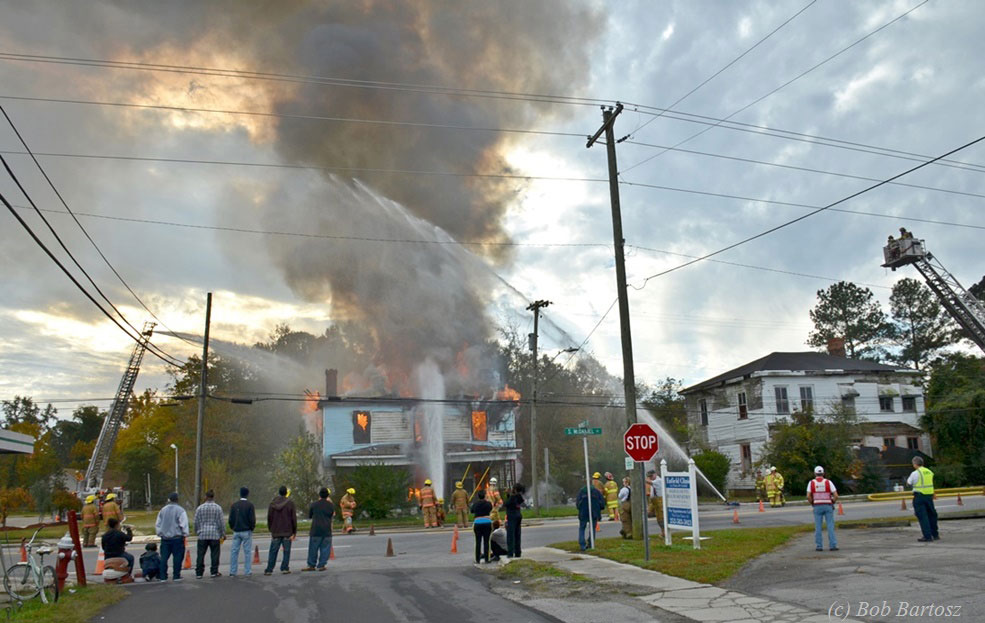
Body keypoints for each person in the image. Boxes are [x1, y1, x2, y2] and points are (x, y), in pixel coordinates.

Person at [155, 492, 189, 582]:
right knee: (177, 558)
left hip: (165, 538)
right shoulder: (180, 510)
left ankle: (163, 576)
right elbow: (184, 524)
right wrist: (185, 534)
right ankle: (176, 575)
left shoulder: (162, 510)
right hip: (177, 538)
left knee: (164, 558)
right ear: (177, 499)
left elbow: (158, 524)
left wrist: (160, 533)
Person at [265, 485, 297, 575]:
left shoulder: (273, 503)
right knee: (286, 551)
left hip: (276, 530)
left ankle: (269, 569)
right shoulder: (290, 503)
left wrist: (271, 528)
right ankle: (285, 568)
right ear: (286, 493)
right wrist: (294, 531)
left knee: (273, 551)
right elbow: (293, 518)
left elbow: (269, 517)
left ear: (279, 492)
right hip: (287, 531)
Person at [193, 489, 225, 579]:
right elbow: (221, 522)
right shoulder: (218, 508)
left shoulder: (200, 508)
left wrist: (197, 531)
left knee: (200, 554)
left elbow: (196, 521)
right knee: (215, 554)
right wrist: (223, 533)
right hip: (214, 534)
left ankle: (199, 573)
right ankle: (214, 571)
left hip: (202, 535)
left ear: (205, 497)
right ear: (213, 497)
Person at [907, 456, 939, 542]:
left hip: (919, 496)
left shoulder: (915, 473)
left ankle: (927, 536)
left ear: (915, 464)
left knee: (923, 517)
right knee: (932, 515)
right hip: (929, 496)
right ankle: (935, 534)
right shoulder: (929, 471)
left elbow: (909, 482)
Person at [807, 466, 838, 552]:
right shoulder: (828, 482)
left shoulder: (811, 483)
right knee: (830, 526)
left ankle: (819, 546)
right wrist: (832, 502)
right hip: (828, 505)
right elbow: (836, 495)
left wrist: (812, 503)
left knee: (818, 527)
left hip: (817, 506)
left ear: (815, 473)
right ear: (823, 473)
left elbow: (808, 496)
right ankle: (833, 545)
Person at [304, 487, 335, 571]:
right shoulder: (331, 505)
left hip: (316, 529)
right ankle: (322, 565)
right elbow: (331, 515)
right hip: (327, 529)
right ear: (327, 495)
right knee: (325, 548)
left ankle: (311, 565)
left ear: (319, 495)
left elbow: (310, 515)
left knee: (313, 548)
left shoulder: (314, 504)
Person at [228, 486, 256, 577]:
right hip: (246, 530)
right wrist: (252, 528)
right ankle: (247, 571)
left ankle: (233, 571)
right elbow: (252, 519)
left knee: (234, 552)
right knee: (247, 552)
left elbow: (231, 519)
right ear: (247, 494)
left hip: (236, 530)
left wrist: (233, 527)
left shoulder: (234, 505)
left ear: (240, 494)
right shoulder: (250, 505)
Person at [576, 483, 604, 551]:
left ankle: (582, 545)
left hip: (583, 512)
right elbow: (602, 504)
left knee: (582, 528)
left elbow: (577, 504)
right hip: (594, 512)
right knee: (592, 528)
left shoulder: (581, 491)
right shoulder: (596, 492)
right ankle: (591, 543)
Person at [470, 489, 493, 564]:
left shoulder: (475, 504)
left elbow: (472, 511)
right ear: (485, 496)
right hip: (487, 523)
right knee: (487, 542)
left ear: (478, 496)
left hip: (477, 523)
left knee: (478, 542)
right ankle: (487, 559)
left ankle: (477, 559)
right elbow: (491, 508)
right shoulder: (488, 504)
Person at [503, 483, 525, 558]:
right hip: (518, 515)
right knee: (517, 534)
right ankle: (518, 552)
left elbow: (506, 504)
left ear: (515, 489)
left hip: (512, 516)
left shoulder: (513, 497)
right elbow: (518, 501)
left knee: (510, 535)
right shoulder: (519, 496)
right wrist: (509, 495)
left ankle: (510, 553)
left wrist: (508, 495)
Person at [646, 470, 665, 535]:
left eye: (651, 476)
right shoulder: (653, 481)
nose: (650, 477)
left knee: (661, 517)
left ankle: (663, 532)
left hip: (659, 500)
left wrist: (642, 478)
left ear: (655, 474)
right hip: (652, 500)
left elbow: (650, 482)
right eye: (649, 476)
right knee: (648, 514)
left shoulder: (659, 480)